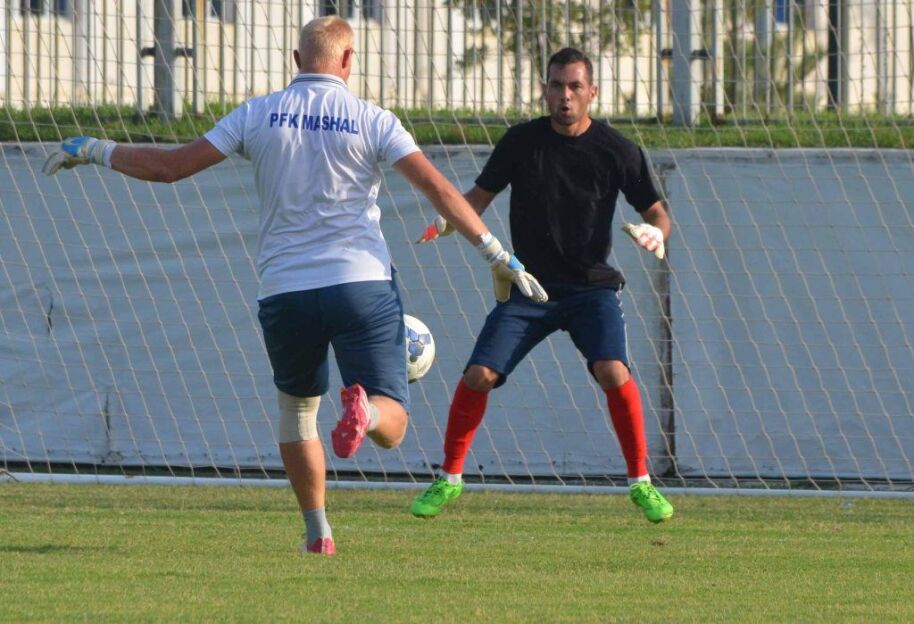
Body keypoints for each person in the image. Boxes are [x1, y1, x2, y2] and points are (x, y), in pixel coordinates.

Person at [42, 16, 547, 555]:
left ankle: (317, 532)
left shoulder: (257, 113)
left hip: (285, 291)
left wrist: (92, 147)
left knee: (297, 410)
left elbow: (171, 167)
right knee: (392, 423)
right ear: (348, 60)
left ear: (296, 60)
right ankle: (367, 413)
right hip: (361, 285)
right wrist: (497, 255)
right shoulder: (373, 119)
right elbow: (439, 189)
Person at [411, 47, 674, 523]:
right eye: (556, 85)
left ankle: (641, 483)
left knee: (613, 370)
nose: (565, 95)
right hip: (529, 286)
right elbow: (477, 199)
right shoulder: (521, 142)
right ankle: (448, 478)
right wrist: (448, 220)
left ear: (592, 93)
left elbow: (657, 212)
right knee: (479, 375)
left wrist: (657, 233)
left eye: (575, 86)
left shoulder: (617, 150)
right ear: (544, 90)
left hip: (591, 290)